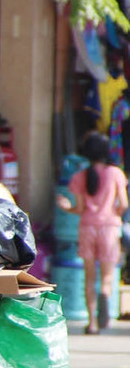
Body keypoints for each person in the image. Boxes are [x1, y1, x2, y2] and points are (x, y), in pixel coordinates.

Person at [56, 130, 128, 334]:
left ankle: (92, 323)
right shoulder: (115, 174)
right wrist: (114, 214)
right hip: (109, 227)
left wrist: (65, 206)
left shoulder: (79, 176)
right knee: (106, 276)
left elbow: (78, 209)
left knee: (89, 276)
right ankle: (105, 294)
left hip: (86, 227)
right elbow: (123, 203)